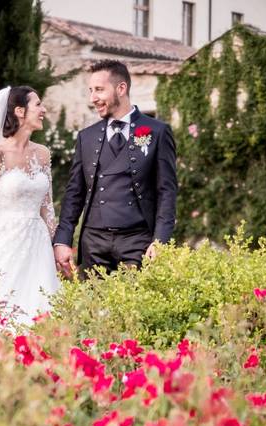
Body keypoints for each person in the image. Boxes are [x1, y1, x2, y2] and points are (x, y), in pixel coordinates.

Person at [53, 59, 177, 278]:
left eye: (99, 90)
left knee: (134, 310)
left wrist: (160, 241)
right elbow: (74, 193)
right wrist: (62, 239)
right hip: (93, 244)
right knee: (90, 310)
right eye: (91, 91)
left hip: (137, 241)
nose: (93, 98)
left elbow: (167, 191)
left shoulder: (157, 132)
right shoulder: (86, 137)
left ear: (121, 88)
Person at [0, 85, 62, 327]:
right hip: (5, 240)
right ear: (19, 111)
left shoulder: (43, 154)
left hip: (38, 244)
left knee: (40, 303)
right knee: (2, 304)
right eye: (37, 104)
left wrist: (55, 244)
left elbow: (47, 205)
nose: (43, 110)